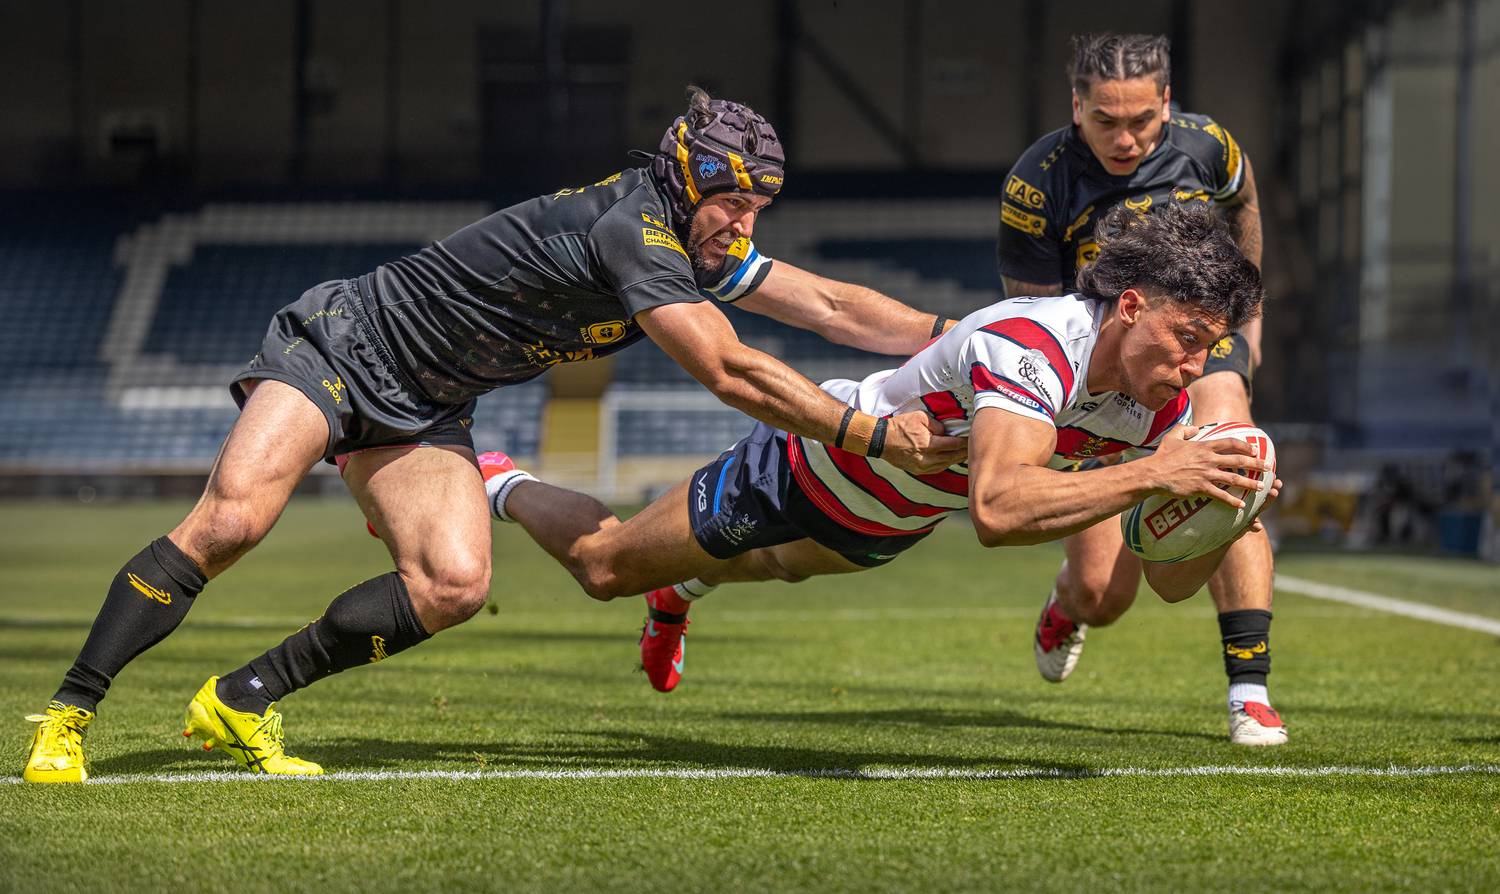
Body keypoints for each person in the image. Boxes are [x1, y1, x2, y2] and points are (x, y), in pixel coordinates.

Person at [21, 87, 966, 782]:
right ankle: (69, 713)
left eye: (759, 207)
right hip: (345, 345)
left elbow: (835, 306)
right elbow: (729, 371)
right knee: (230, 523)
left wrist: (960, 339)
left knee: (454, 585)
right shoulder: (638, 231)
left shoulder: (700, 240)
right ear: (685, 178)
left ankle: (240, 702)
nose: (746, 223)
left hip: (430, 409)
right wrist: (872, 434)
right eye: (734, 203)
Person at [480, 204, 1277, 714]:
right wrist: (1152, 475)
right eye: (1186, 340)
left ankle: (680, 594)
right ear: (1132, 307)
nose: (1193, 367)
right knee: (605, 567)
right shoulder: (1034, 346)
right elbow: (999, 512)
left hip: (892, 522)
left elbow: (1166, 576)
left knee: (766, 569)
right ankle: (500, 480)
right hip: (806, 465)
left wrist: (1218, 511)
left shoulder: (1158, 405)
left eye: (1209, 349)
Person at [995, 33, 1283, 745]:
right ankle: (1066, 606)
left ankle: (1250, 688)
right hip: (1098, 376)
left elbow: (1244, 204)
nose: (1124, 139)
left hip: (1194, 344)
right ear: (1077, 106)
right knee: (1103, 594)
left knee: (1232, 447)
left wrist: (1244, 323)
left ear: (1166, 101)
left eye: (1141, 121)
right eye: (1104, 122)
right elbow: (1032, 317)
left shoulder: (1208, 144)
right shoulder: (1039, 181)